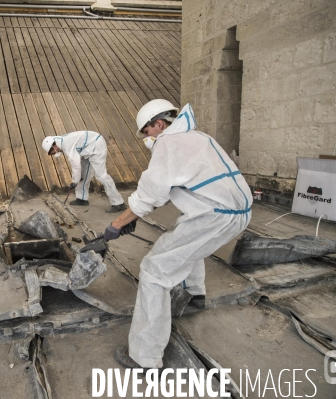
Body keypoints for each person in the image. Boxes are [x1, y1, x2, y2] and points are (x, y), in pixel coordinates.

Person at [104, 100, 252, 370]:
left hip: (214, 216)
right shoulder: (198, 137)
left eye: (147, 132)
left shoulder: (168, 144)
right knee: (183, 240)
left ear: (159, 124)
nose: (147, 138)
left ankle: (144, 357)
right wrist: (136, 215)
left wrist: (117, 224)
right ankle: (194, 294)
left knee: (153, 271)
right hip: (238, 212)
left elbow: (149, 194)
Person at [41, 131, 127, 213]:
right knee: (83, 174)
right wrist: (77, 178)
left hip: (96, 145)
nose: (53, 154)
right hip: (87, 149)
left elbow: (75, 165)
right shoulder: (61, 142)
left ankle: (118, 203)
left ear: (53, 146)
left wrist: (74, 181)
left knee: (101, 175)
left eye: (51, 152)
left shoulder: (66, 145)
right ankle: (82, 199)